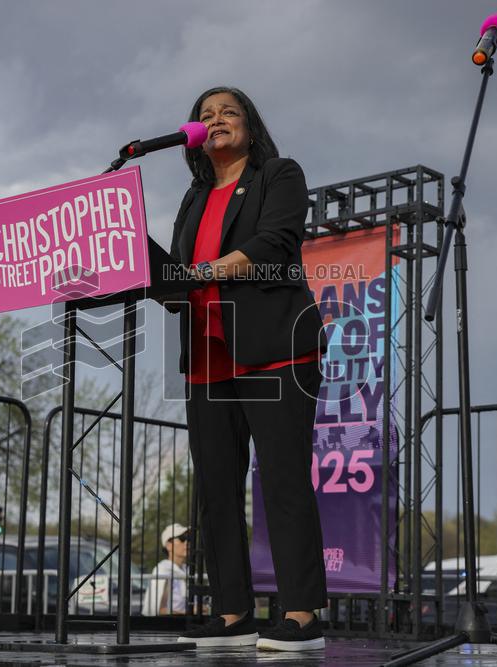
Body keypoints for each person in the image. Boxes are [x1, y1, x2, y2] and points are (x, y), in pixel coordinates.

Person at [167, 86, 327, 651]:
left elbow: (275, 242)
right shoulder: (193, 197)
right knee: (215, 488)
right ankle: (234, 613)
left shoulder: (278, 174)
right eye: (204, 116)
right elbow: (179, 276)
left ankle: (303, 615)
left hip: (275, 349)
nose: (215, 121)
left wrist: (200, 272)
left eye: (227, 113)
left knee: (281, 479)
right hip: (208, 356)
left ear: (250, 127)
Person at [142, 524, 190, 616]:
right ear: (168, 545)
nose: (187, 542)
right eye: (182, 538)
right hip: (168, 626)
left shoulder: (187, 570)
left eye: (189, 539)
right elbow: (159, 611)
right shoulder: (163, 570)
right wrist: (191, 613)